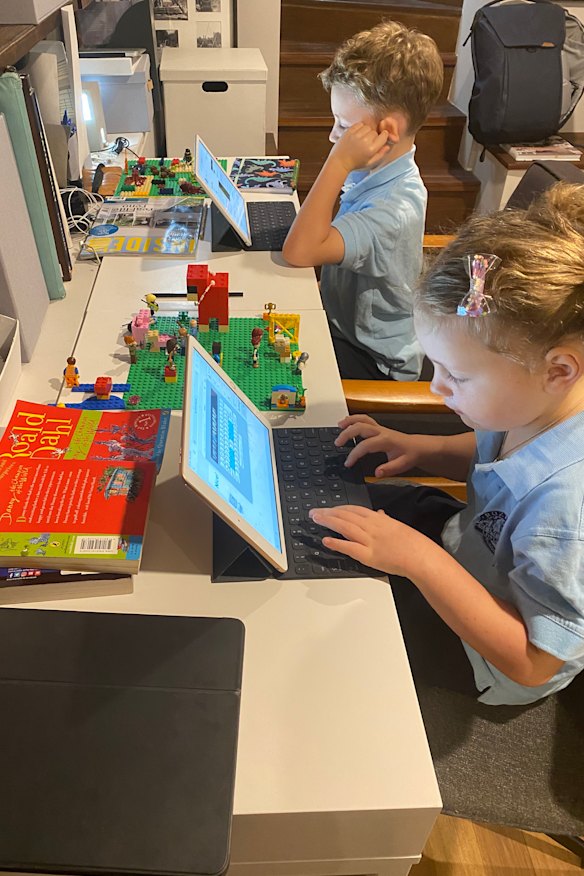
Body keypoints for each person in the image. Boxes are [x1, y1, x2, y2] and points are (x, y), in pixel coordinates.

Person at [310, 183, 584, 705]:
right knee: (340, 508)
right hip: (465, 547)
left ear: (559, 370)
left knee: (339, 622)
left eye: (456, 375)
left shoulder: (568, 513)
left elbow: (533, 662)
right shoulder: (534, 405)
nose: (436, 388)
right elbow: (494, 455)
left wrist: (419, 560)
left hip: (483, 650)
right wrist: (425, 449)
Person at [282, 20, 443, 381]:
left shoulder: (392, 211)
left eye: (343, 124)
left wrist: (338, 161)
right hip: (341, 322)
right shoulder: (376, 171)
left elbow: (299, 252)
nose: (332, 136)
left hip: (371, 359)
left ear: (388, 130)